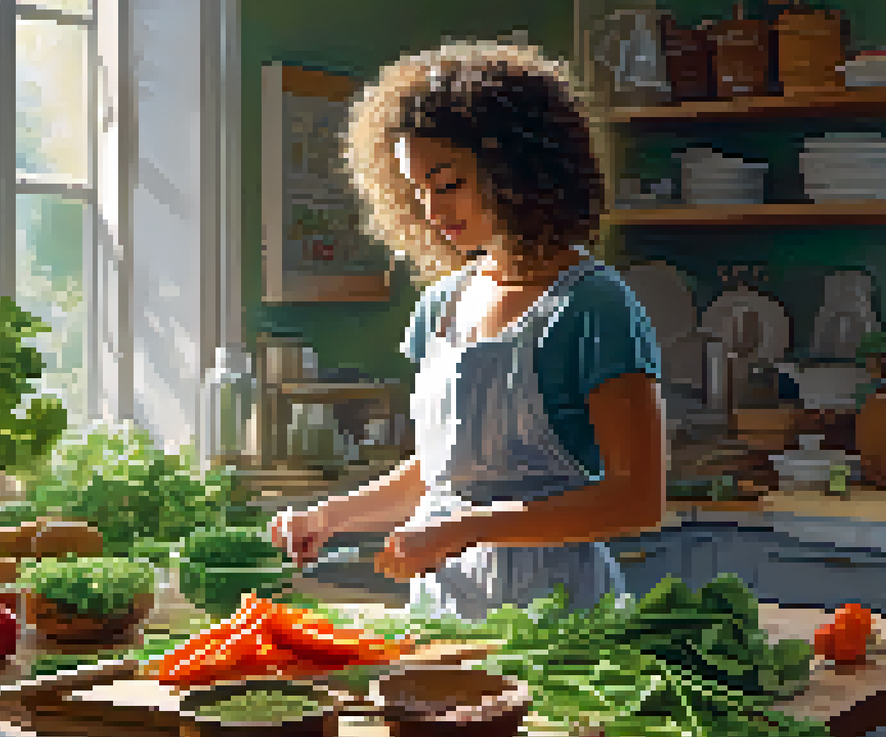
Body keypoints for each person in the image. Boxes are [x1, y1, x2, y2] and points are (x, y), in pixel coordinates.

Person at [267, 40, 666, 621]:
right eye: (417, 191)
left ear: (519, 172)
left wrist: (464, 530)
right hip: (444, 614)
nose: (431, 212)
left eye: (448, 184)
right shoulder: (440, 306)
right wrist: (328, 517)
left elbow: (636, 500)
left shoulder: (594, 306)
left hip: (558, 622)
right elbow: (440, 472)